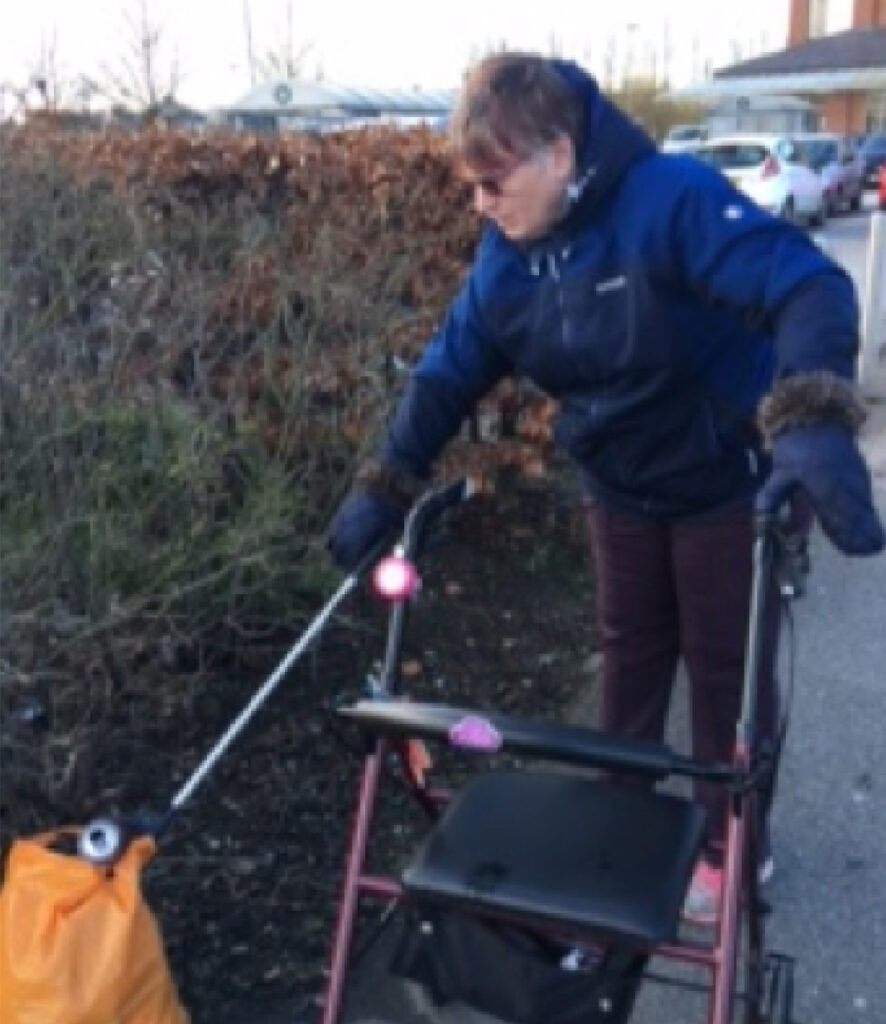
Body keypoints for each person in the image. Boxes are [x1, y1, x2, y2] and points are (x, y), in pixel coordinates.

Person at [326, 52, 884, 923]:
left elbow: (806, 282)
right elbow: (446, 374)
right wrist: (387, 482)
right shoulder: (505, 259)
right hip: (618, 481)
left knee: (724, 670)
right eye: (470, 186)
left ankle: (731, 843)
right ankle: (621, 833)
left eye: (492, 182)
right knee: (627, 660)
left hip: (722, 476)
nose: (479, 204)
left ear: (558, 151)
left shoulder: (667, 198)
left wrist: (810, 413)